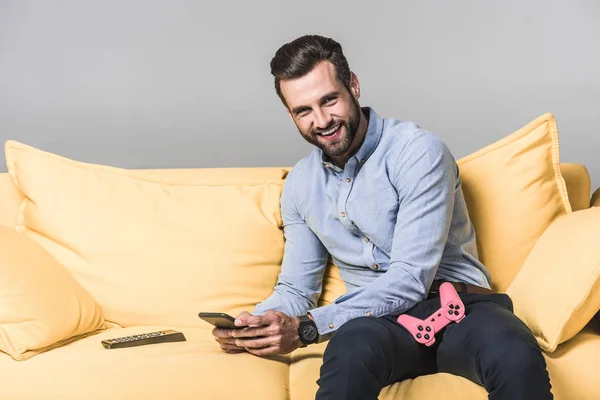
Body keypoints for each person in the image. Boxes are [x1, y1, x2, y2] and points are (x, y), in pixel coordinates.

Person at [212, 34, 553, 399]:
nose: (322, 120)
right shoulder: (300, 185)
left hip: (460, 309)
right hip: (380, 326)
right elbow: (297, 289)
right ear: (290, 114)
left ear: (354, 86)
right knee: (351, 348)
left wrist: (308, 328)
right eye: (304, 110)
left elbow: (410, 280)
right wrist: (257, 324)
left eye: (330, 100)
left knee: (513, 351)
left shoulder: (417, 151)